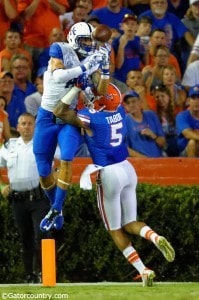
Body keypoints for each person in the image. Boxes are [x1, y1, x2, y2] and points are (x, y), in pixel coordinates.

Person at [59, 83, 175, 287]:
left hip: (109, 171)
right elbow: (107, 98)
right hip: (128, 168)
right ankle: (155, 237)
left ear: (101, 102)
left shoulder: (91, 116)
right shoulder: (120, 111)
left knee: (114, 229)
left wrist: (76, 90)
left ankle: (143, 269)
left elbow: (60, 112)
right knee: (130, 223)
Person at [33, 22, 109, 232]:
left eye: (90, 41)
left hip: (68, 116)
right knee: (43, 169)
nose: (88, 44)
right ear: (73, 37)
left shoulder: (89, 58)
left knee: (67, 158)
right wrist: (85, 67)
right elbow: (58, 75)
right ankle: (55, 206)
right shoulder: (60, 48)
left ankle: (57, 208)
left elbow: (97, 93)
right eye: (84, 40)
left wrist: (105, 68)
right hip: (47, 116)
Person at [0, 112, 50, 283]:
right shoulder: (9, 146)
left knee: (41, 235)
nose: (27, 127)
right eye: (23, 123)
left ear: (35, 126)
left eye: (30, 123)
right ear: (18, 126)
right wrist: (1, 186)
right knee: (25, 237)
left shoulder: (43, 144)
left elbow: (61, 162)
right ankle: (30, 275)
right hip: (17, 200)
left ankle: (45, 272)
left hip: (38, 198)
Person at [123, 90, 166, 157]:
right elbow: (125, 149)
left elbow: (163, 143)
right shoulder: (124, 121)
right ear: (125, 106)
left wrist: (153, 135)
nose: (131, 105)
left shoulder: (151, 115)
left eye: (134, 101)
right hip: (139, 162)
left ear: (140, 102)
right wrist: (144, 159)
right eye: (128, 103)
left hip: (158, 159)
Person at [153, 85, 179, 156]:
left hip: (176, 142)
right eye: (157, 97)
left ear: (169, 97)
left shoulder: (176, 111)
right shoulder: (153, 114)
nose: (160, 99)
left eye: (163, 96)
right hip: (161, 143)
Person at [176, 84, 199, 157]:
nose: (196, 101)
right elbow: (188, 134)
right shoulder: (182, 116)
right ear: (188, 101)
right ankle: (191, 168)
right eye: (193, 98)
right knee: (192, 142)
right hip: (185, 153)